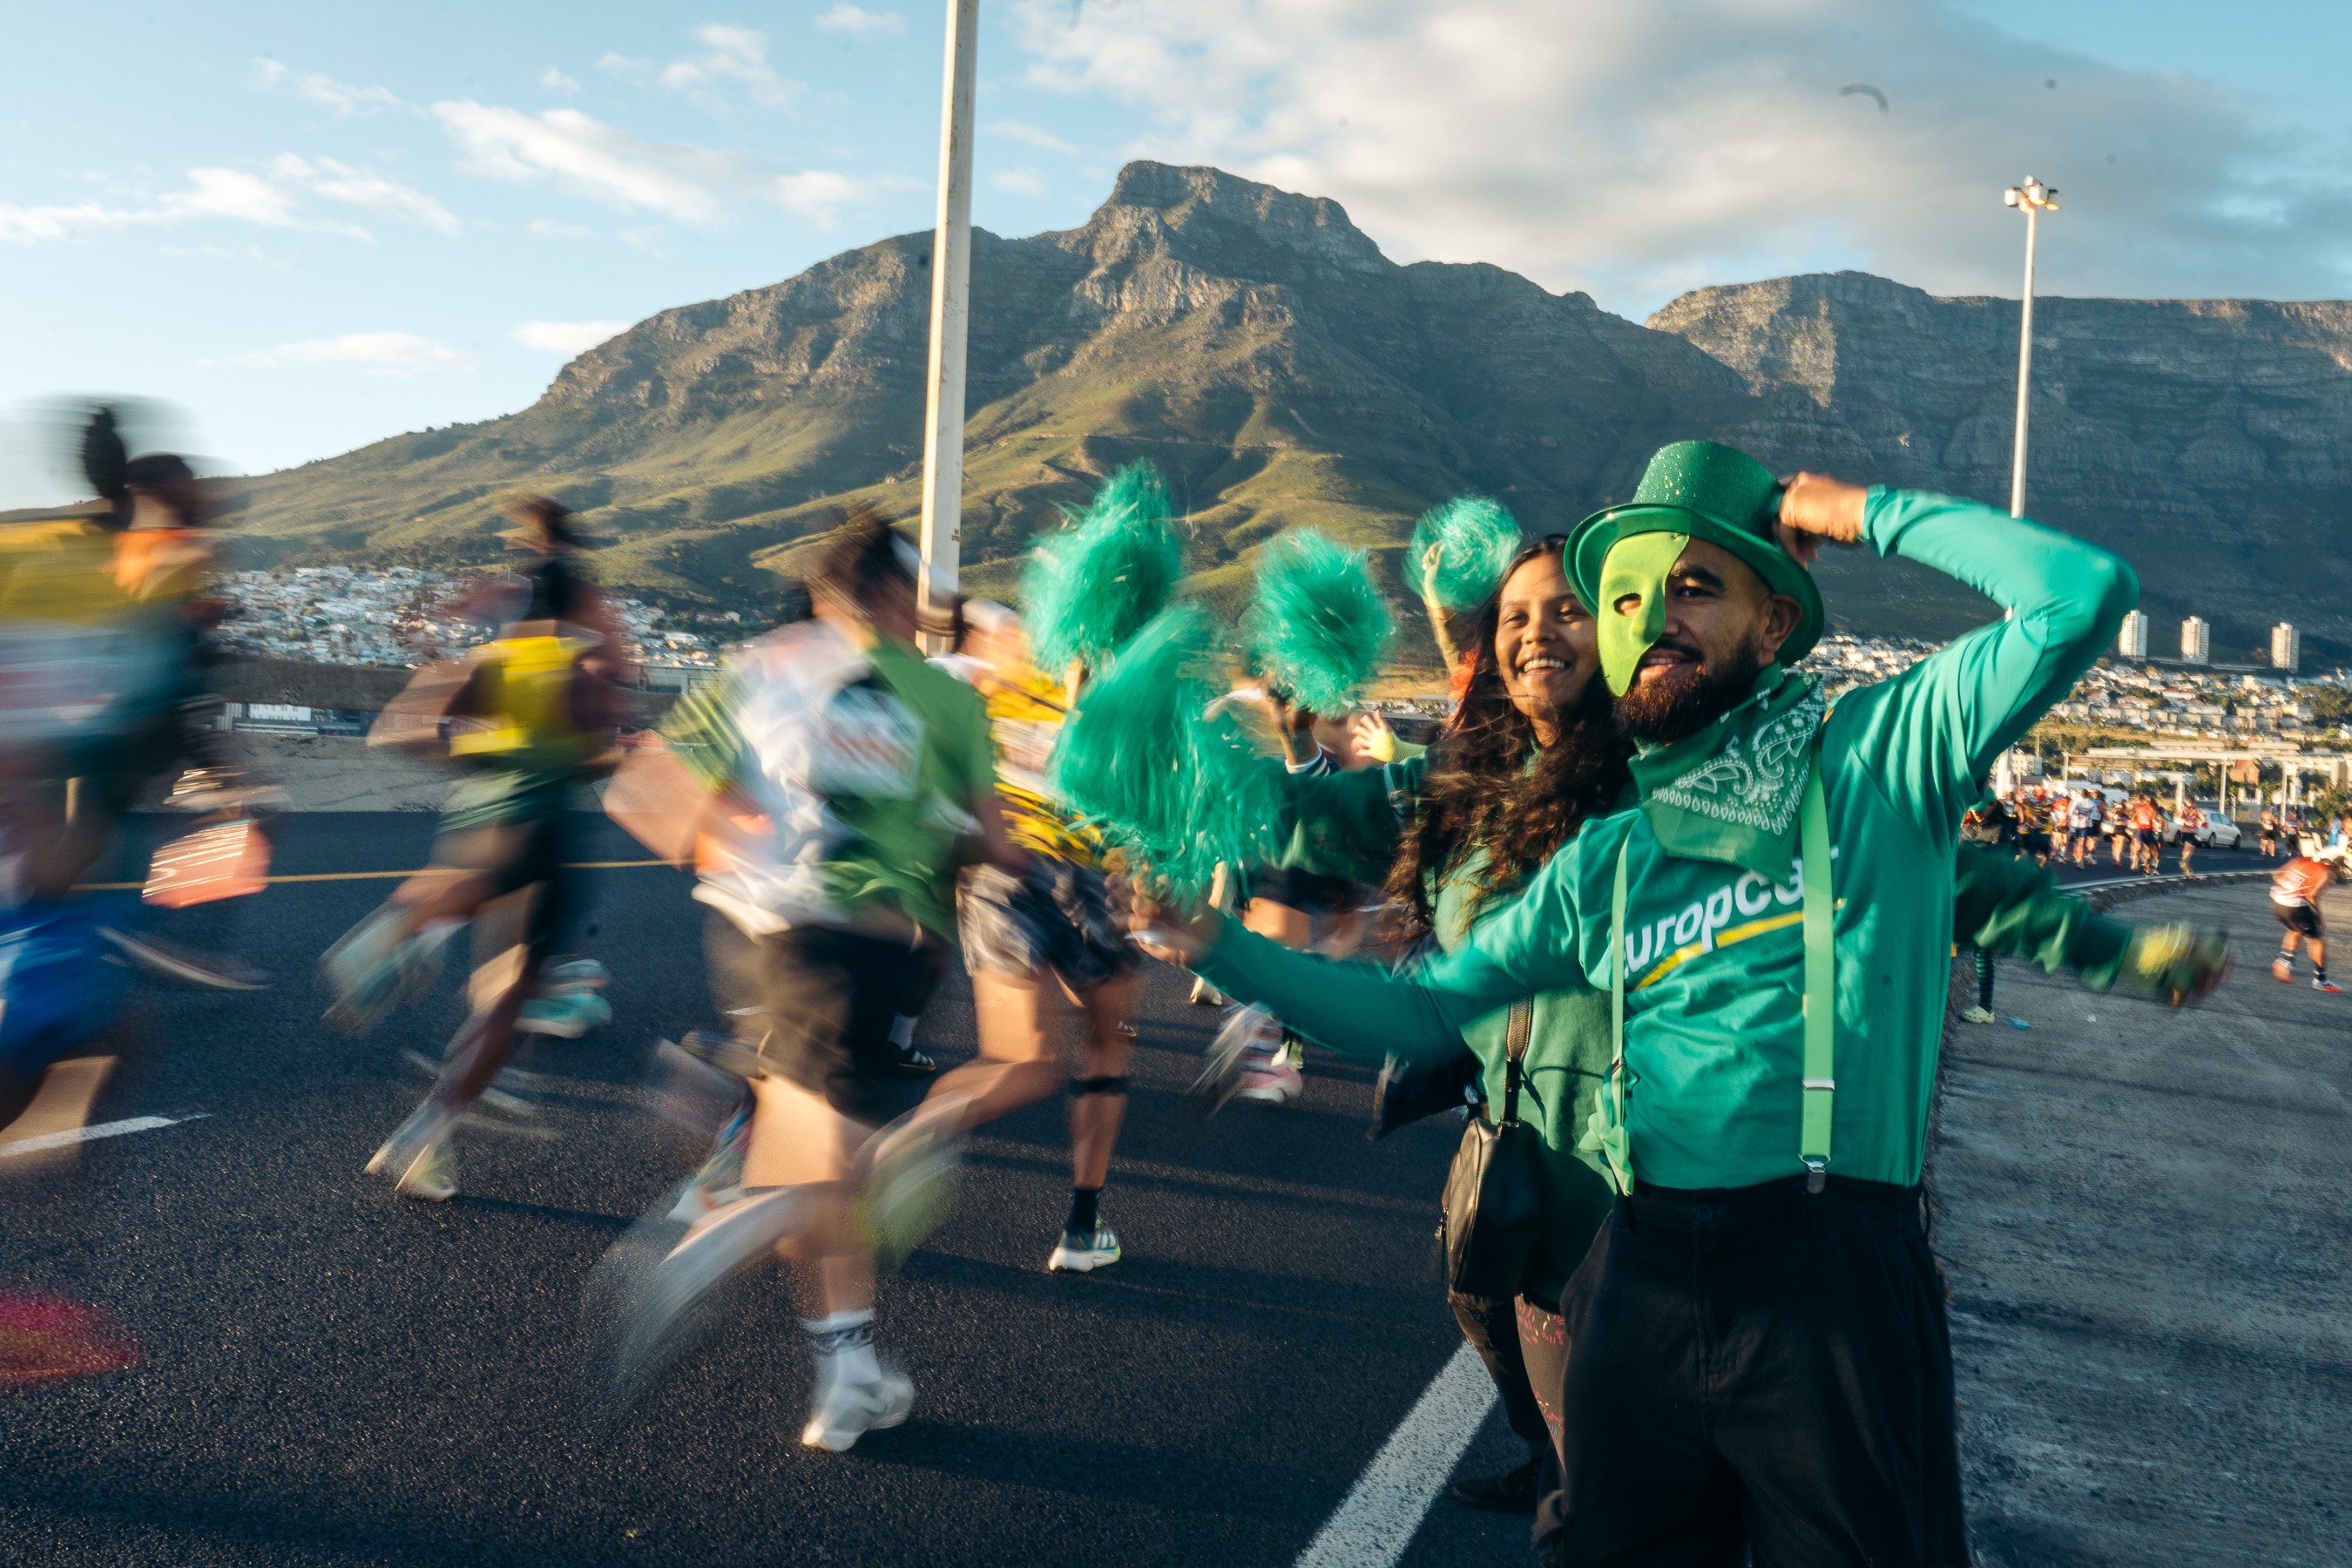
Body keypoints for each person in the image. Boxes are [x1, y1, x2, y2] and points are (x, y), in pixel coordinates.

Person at [1140, 441, 2138, 1566]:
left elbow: (2082, 594)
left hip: (1829, 1275)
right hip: (1644, 1259)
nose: (1654, 617)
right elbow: (1423, 1018)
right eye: (1624, 600)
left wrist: (1850, 510)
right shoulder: (1608, 857)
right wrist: (1212, 940)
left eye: (1696, 587)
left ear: (1772, 625)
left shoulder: (1873, 760)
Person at [618, 510, 1018, 1452]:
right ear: (887, 593)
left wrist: (756, 856)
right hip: (871, 946)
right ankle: (697, 1255)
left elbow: (646, 793)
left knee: (824, 1164)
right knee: (836, 1170)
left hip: (753, 941)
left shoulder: (759, 666)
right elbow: (996, 842)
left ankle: (849, 1375)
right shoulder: (944, 693)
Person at [325, 495, 629, 1199]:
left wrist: (476, 755)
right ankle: (430, 1131)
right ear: (579, 608)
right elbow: (593, 748)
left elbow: (398, 731)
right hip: (545, 832)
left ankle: (399, 930)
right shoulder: (581, 664)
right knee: (511, 994)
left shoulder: (494, 659)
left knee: (486, 957)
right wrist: (601, 751)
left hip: (474, 821)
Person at [935, 598, 1143, 1273]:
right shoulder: (1117, 691)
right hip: (1092, 875)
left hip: (1003, 870)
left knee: (1019, 1060)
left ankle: (894, 1146)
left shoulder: (984, 681)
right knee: (1106, 1043)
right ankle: (1083, 1227)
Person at [2270, 848, 2343, 992]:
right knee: (2317, 940)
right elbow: (2313, 895)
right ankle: (2321, 980)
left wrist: (2288, 889)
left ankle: (2285, 961)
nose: (2339, 868)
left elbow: (2277, 874)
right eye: (2339, 864)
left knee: (2295, 929)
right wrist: (2319, 915)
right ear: (2331, 862)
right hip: (2295, 905)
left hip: (2278, 901)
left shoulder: (2302, 861)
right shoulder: (2327, 872)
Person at [2131, 793, 2164, 875]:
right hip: (2141, 829)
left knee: (2150, 850)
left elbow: (2157, 817)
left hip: (2149, 831)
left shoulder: (2153, 808)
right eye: (2147, 800)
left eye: (2149, 800)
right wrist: (2133, 818)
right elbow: (2132, 817)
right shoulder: (2139, 807)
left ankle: (2147, 864)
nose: (2147, 802)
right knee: (2138, 846)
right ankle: (2135, 861)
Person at [2175, 799, 2207, 878]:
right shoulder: (2197, 810)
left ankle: (2187, 871)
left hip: (2184, 832)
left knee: (2185, 851)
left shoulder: (2184, 809)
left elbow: (2178, 818)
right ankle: (2183, 862)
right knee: (2190, 851)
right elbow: (2204, 820)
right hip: (2192, 833)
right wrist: (2203, 822)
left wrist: (2183, 819)